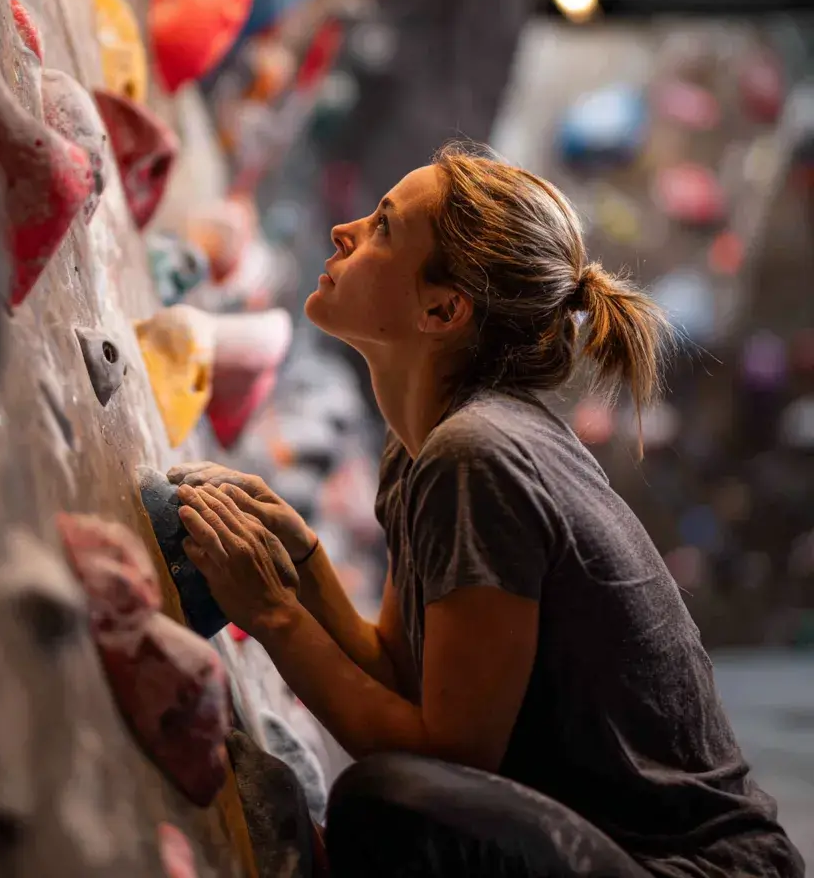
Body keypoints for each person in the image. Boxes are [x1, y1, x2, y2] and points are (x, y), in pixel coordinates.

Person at [168, 145, 804, 877]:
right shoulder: (423, 449)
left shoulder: (477, 454)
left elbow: (446, 761)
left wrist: (276, 614)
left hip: (691, 871)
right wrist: (305, 564)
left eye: (381, 226)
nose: (344, 230)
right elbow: (409, 679)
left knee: (383, 804)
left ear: (443, 308)